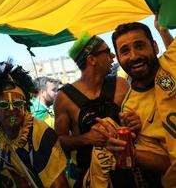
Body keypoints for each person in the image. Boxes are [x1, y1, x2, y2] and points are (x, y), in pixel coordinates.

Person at [94, 20, 175, 187]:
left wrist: (162, 29)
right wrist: (126, 150)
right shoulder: (130, 110)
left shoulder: (171, 64)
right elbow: (167, 165)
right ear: (118, 58)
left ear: (155, 46)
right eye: (125, 51)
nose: (134, 56)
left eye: (139, 46)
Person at [54, 32, 141, 187]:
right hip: (90, 177)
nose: (113, 56)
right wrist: (87, 138)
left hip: (129, 171)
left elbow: (141, 120)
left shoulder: (121, 85)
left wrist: (134, 121)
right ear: (91, 59)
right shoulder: (64, 97)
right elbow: (59, 140)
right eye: (107, 52)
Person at [0, 61, 69, 188]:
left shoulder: (42, 134)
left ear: (25, 107)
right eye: (3, 105)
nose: (11, 109)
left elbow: (59, 185)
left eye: (17, 103)